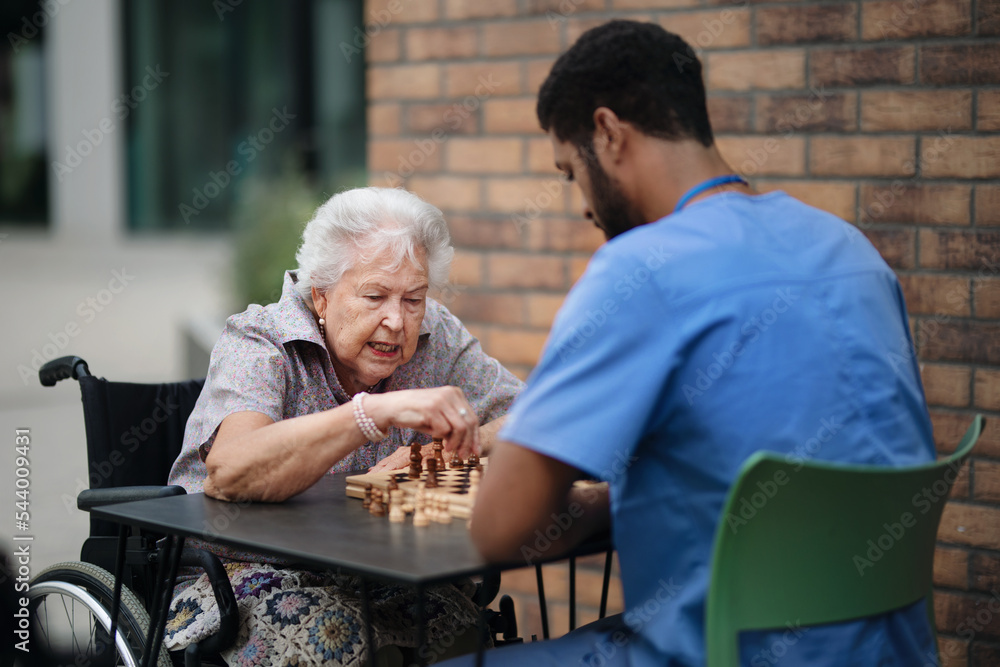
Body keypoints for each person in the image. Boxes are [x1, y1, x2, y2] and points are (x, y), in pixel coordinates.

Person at [450, 20, 938, 667]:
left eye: (571, 174)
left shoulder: (640, 270)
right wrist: (614, 502)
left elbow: (498, 528)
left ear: (608, 132)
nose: (584, 208)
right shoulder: (850, 249)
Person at [165, 186, 523, 666]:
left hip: (372, 571)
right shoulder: (258, 341)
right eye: (374, 296)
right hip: (237, 572)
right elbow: (231, 471)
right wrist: (370, 415)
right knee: (350, 646)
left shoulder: (436, 334)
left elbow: (536, 415)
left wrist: (455, 448)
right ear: (321, 295)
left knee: (468, 641)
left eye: (413, 299)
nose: (396, 321)